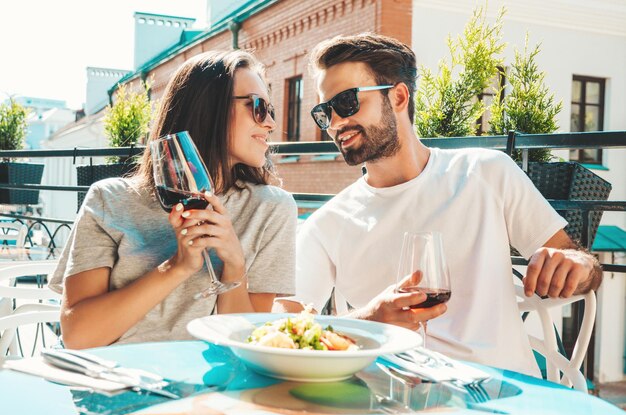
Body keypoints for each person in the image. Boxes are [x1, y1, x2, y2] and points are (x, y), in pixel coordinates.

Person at [274, 33, 602, 377]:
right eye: (324, 112)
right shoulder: (329, 224)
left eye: (347, 103)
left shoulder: (486, 173)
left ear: (399, 97)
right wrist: (370, 320)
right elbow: (286, 327)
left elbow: (585, 267)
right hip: (395, 399)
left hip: (501, 394)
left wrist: (575, 266)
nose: (336, 122)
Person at [50, 50, 297, 349]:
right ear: (209, 110)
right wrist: (177, 266)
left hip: (210, 388)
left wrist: (234, 262)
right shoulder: (109, 199)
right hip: (113, 382)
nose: (270, 123)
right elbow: (78, 336)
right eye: (258, 107)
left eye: (270, 110)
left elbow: (247, 344)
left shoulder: (271, 209)